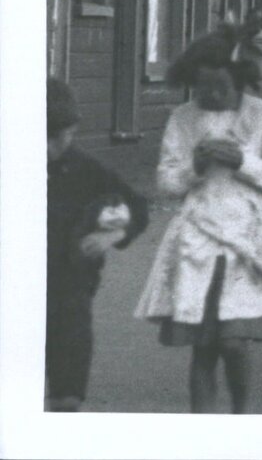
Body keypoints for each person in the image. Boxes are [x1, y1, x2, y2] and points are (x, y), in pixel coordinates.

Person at [135, 27, 262, 414]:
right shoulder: (183, 118)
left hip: (249, 240)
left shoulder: (260, 115)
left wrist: (243, 161)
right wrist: (195, 166)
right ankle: (203, 426)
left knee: (234, 342)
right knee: (204, 346)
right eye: (202, 88)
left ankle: (239, 415)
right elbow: (167, 182)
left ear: (238, 80)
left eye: (221, 87)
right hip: (199, 238)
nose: (212, 96)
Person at [46, 79, 150, 411]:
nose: (48, 147)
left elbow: (138, 207)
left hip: (71, 290)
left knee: (66, 394)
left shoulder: (85, 169)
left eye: (58, 137)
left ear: (72, 130)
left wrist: (112, 235)